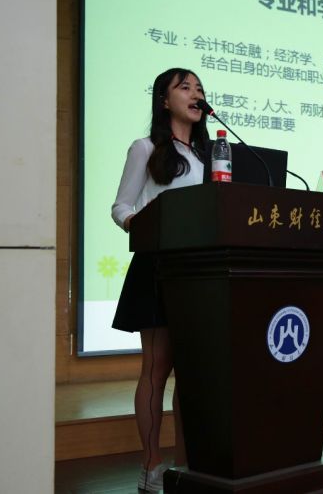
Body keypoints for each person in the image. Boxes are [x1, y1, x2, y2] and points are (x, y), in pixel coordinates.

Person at [111, 67, 211, 492]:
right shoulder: (146, 148)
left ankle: (186, 464)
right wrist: (140, 222)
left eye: (199, 88)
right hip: (157, 266)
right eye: (184, 87)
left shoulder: (212, 156)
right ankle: (151, 464)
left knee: (193, 373)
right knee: (157, 369)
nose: (195, 93)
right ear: (164, 101)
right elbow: (121, 207)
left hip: (201, 273)